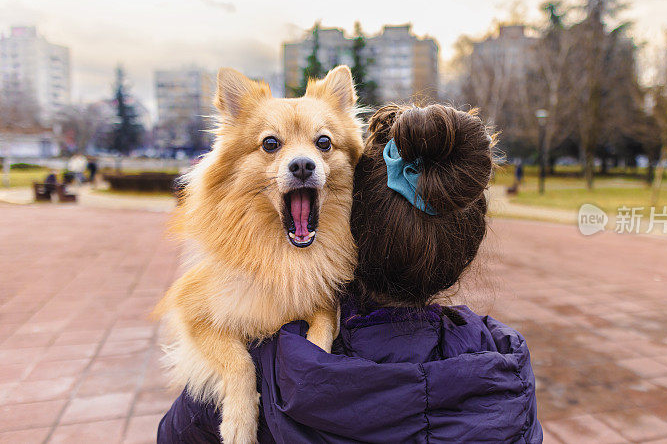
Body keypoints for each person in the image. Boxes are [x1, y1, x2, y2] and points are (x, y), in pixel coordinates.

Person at [158, 104, 542, 443]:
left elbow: (172, 434)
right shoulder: (511, 372)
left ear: (356, 218)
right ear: (465, 253)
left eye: (322, 145)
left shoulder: (263, 358)